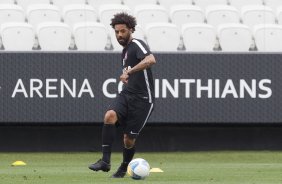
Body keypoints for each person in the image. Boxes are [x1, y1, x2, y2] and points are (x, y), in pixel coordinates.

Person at [88, 12, 156, 178]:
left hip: (143, 99)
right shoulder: (125, 51)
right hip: (127, 94)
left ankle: (124, 168)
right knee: (109, 115)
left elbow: (151, 59)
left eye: (123, 31)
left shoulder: (137, 44)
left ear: (131, 30)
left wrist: (130, 72)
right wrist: (129, 76)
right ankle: (105, 161)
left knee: (128, 140)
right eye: (117, 32)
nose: (119, 35)